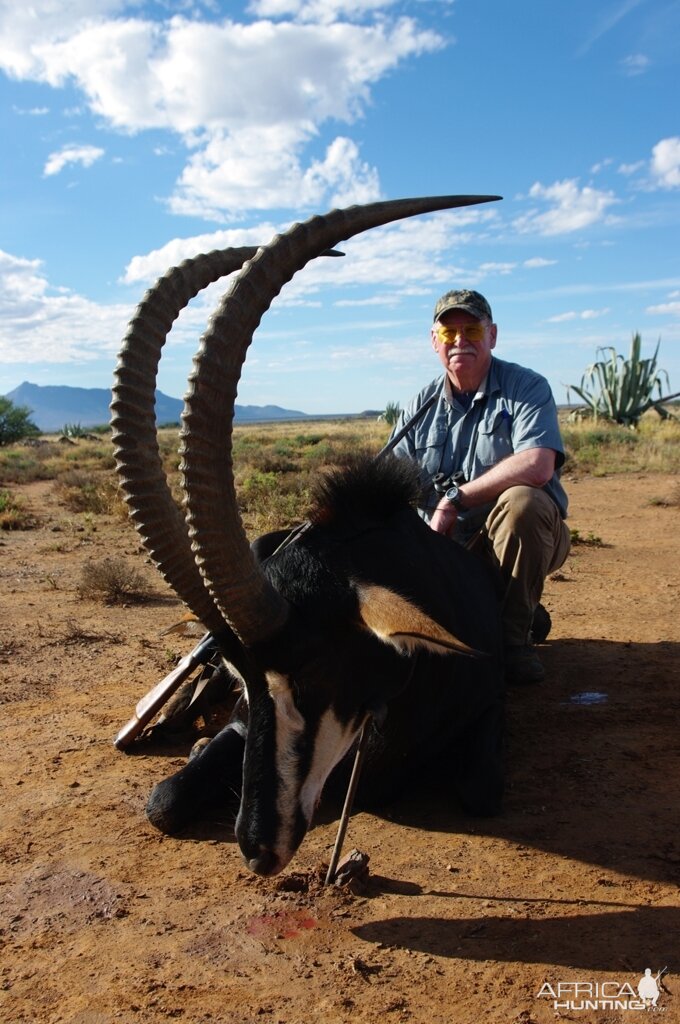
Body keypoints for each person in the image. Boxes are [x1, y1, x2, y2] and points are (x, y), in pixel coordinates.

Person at [389, 289, 571, 684]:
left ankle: (512, 643)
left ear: (492, 335)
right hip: (443, 551)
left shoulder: (526, 387)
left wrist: (455, 500)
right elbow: (390, 481)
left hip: (509, 540)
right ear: (434, 340)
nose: (460, 341)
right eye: (448, 332)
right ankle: (504, 608)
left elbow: (538, 466)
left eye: (471, 329)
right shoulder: (417, 405)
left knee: (524, 503)